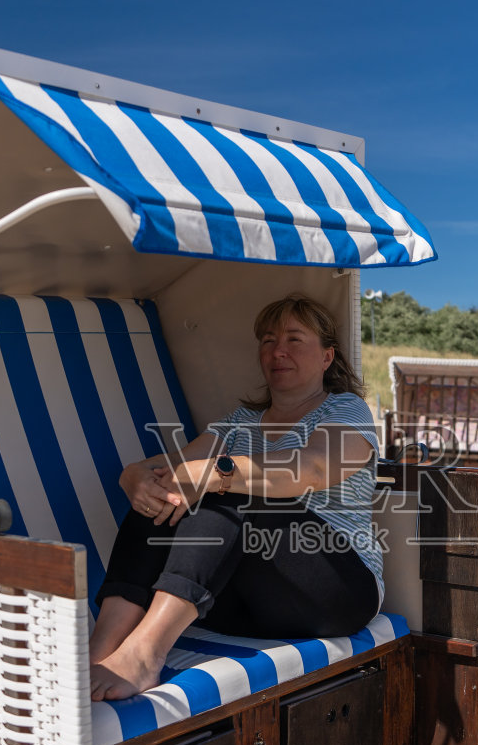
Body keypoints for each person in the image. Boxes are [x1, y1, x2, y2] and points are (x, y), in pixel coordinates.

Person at [88, 294, 383, 701]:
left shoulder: (345, 410)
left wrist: (218, 472)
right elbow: (167, 468)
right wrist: (135, 477)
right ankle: (98, 654)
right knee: (162, 496)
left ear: (327, 357)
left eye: (295, 339)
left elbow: (314, 467)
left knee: (231, 492)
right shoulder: (238, 422)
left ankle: (144, 655)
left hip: (335, 590)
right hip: (245, 605)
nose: (278, 350)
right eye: (267, 340)